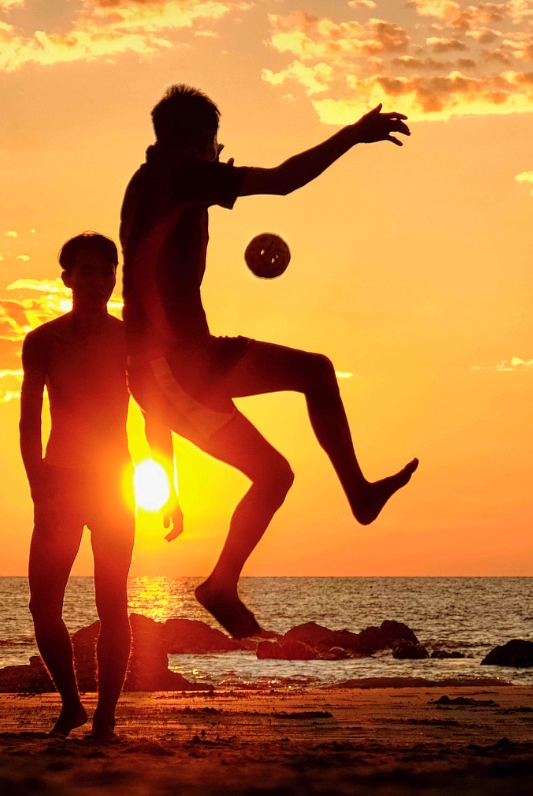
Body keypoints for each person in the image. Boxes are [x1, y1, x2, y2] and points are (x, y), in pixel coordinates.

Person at [120, 85, 419, 639]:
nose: (221, 154)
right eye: (216, 145)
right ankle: (228, 580)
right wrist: (353, 135)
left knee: (307, 394)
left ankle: (233, 577)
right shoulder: (184, 175)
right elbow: (282, 180)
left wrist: (168, 480)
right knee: (295, 425)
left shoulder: (152, 181)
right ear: (201, 142)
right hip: (175, 367)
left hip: (187, 360)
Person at [19, 231, 174, 740]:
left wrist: (168, 487)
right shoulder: (43, 340)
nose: (97, 279)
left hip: (114, 481)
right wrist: (38, 483)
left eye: (106, 270)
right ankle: (71, 705)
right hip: (61, 481)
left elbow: (156, 414)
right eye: (85, 270)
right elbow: (28, 420)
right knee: (44, 605)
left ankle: (106, 717)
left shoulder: (130, 337)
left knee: (112, 600)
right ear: (67, 277)